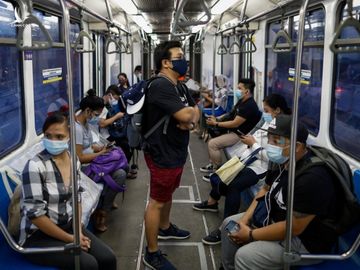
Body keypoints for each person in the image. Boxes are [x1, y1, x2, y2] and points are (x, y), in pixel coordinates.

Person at [220, 114, 340, 270]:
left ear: (297, 146)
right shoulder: (281, 161)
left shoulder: (313, 178)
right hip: (276, 218)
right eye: (269, 139)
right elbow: (265, 188)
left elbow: (295, 227)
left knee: (246, 257)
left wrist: (250, 235)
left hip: (304, 239)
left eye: (277, 141)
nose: (270, 145)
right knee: (229, 224)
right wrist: (244, 221)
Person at [19, 112, 117, 270]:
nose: (52, 141)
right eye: (48, 136)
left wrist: (78, 231)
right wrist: (70, 239)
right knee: (88, 265)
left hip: (68, 226)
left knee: (108, 259)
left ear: (69, 135)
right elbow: (36, 216)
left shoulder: (73, 160)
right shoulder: (35, 166)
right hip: (38, 236)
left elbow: (76, 198)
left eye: (59, 137)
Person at [193, 94, 291, 245]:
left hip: (263, 167)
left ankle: (224, 229)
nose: (264, 113)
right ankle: (214, 205)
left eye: (266, 110)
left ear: (277, 110)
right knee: (222, 177)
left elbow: (274, 157)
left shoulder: (283, 128)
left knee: (233, 185)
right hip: (249, 159)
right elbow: (255, 138)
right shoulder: (268, 122)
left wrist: (253, 144)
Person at [141, 41, 200, 270]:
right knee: (157, 200)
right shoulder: (161, 86)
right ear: (166, 63)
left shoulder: (179, 85)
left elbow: (196, 109)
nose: (184, 60)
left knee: (168, 193)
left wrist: (190, 119)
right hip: (162, 152)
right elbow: (187, 115)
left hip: (176, 150)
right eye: (179, 56)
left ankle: (165, 227)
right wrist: (188, 119)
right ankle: (152, 252)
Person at [75, 91, 127, 232]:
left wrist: (102, 148)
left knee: (121, 171)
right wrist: (101, 153)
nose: (96, 118)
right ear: (87, 111)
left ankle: (104, 208)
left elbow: (90, 146)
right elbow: (79, 157)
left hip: (93, 162)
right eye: (96, 114)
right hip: (84, 168)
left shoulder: (85, 124)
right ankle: (102, 212)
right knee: (119, 175)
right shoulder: (76, 128)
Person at [200, 78, 262, 181]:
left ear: (247, 91)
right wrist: (217, 119)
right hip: (233, 131)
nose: (237, 90)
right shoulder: (242, 101)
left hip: (240, 135)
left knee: (213, 144)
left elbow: (235, 123)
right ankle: (213, 164)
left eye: (239, 88)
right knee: (211, 134)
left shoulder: (249, 106)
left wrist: (216, 123)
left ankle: (218, 172)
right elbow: (230, 114)